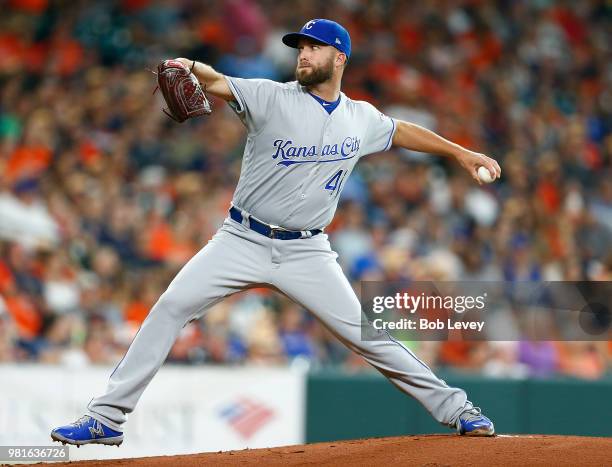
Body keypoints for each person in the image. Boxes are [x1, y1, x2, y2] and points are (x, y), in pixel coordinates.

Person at [51, 18, 500, 446]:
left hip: (308, 251)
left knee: (367, 337)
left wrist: (460, 154)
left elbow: (400, 131)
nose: (302, 54)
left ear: (339, 57)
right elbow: (217, 81)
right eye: (299, 47)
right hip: (241, 239)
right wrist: (189, 67)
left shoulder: (360, 117)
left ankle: (458, 410)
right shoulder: (271, 96)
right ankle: (105, 417)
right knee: (170, 307)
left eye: (313, 47)